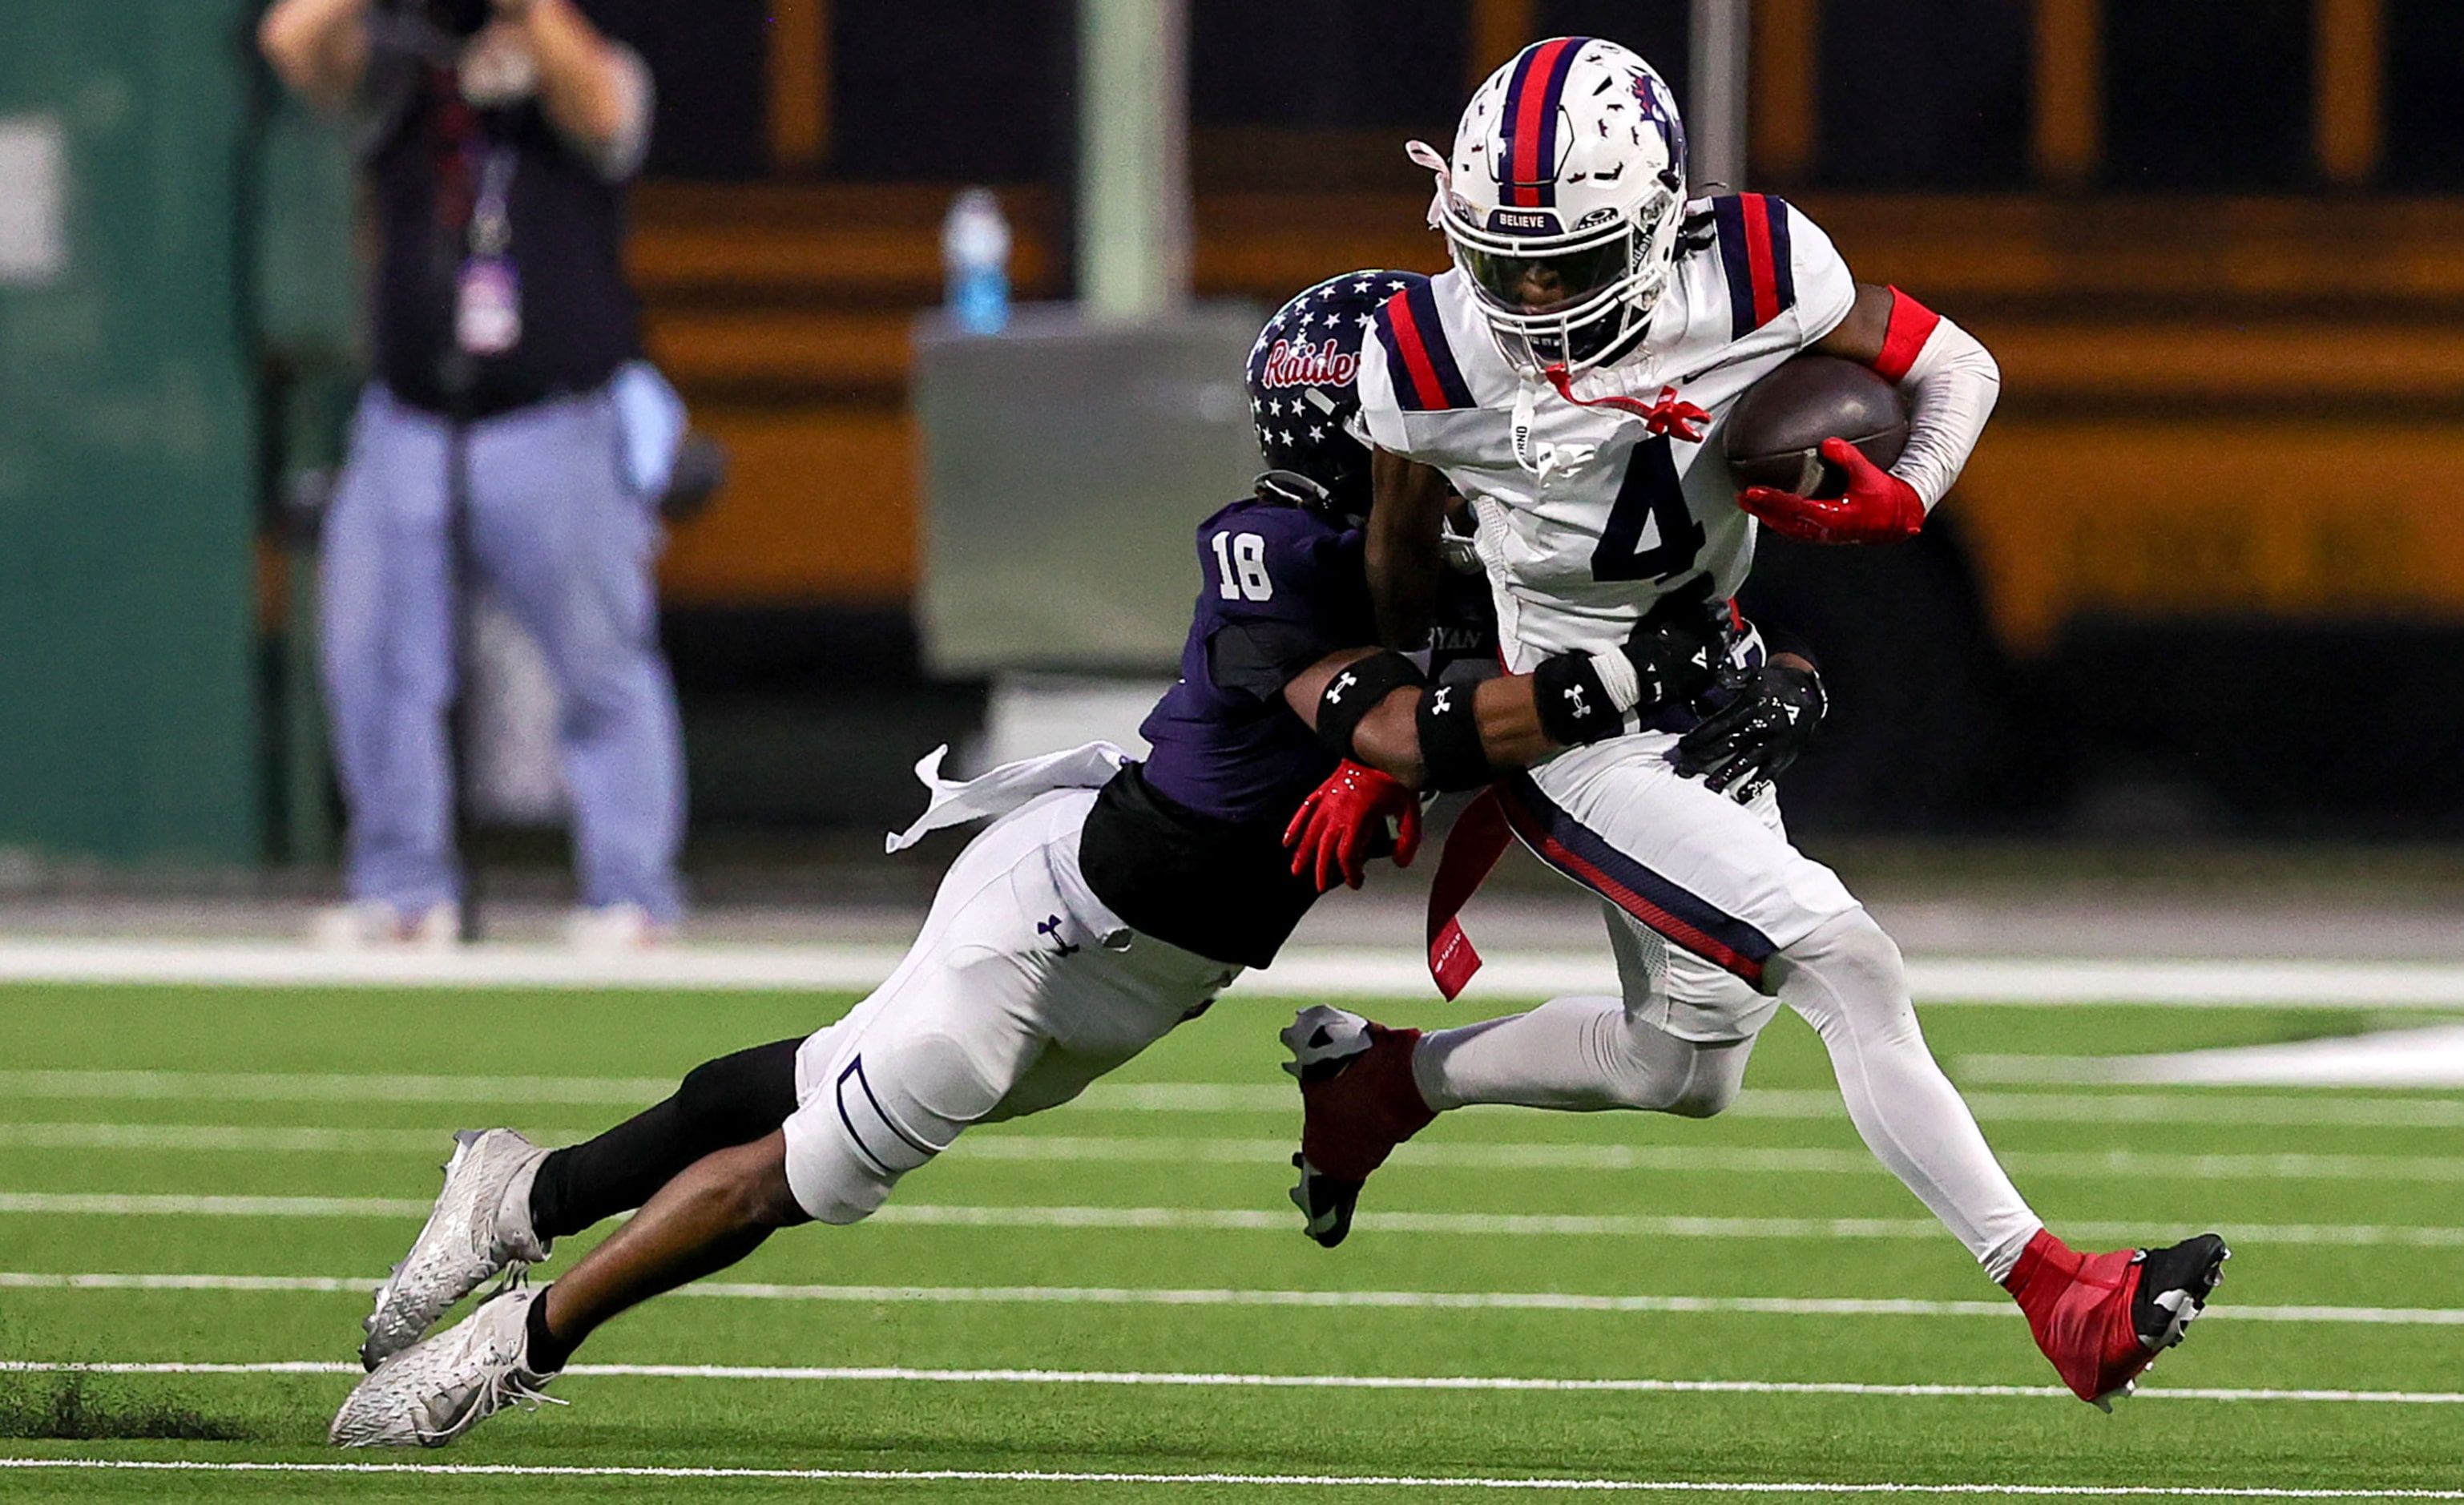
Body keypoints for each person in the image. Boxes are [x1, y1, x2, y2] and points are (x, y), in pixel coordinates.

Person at [323, 271, 1750, 1448]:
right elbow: (1397, 720)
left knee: (830, 1069)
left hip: (1148, 983)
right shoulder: (1271, 547)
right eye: (1431, 414)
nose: (1473, 430)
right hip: (1054, 922)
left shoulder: (1462, 559)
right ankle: (514, 1344)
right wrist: (1577, 696)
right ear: (1358, 432)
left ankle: (518, 1188)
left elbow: (1486, 673)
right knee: (807, 1165)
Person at [1285, 37, 2225, 1412]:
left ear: (1660, 228)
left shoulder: (1760, 270)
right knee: (1845, 955)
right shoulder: (1427, 354)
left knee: (1686, 1063)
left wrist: (1906, 492)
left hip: (1713, 689)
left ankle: (1380, 1085)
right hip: (1570, 731)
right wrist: (1407, 736)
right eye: (1507, 263)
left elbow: (1955, 361)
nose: (1536, 301)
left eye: (1571, 263)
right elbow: (1398, 551)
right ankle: (2059, 1292)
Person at [259, 0, 687, 950]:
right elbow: (291, 40)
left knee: (601, 666)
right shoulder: (398, 70)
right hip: (407, 418)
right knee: (373, 660)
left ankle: (632, 892)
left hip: (556, 419)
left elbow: (607, 116)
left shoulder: (594, 54)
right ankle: (406, 888)